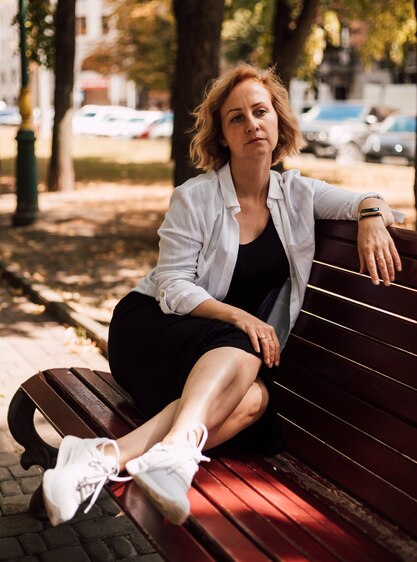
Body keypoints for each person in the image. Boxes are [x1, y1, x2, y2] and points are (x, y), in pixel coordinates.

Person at [42, 64, 403, 527]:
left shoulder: (298, 194)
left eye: (260, 112)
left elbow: (364, 200)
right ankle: (168, 453)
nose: (252, 123)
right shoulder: (195, 198)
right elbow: (171, 287)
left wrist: (371, 213)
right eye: (237, 117)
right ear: (223, 136)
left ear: (277, 123)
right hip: (153, 329)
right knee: (245, 345)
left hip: (223, 359)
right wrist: (239, 317)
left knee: (255, 400)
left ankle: (110, 457)